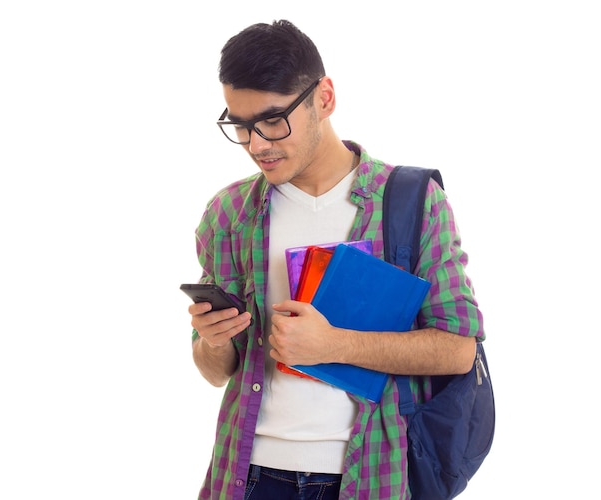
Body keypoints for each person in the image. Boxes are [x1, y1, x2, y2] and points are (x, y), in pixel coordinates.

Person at [188, 19, 484, 500]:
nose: (257, 144)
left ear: (323, 98)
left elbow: (458, 349)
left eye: (272, 120)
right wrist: (213, 340)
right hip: (248, 478)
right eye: (240, 127)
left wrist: (332, 344)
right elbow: (215, 369)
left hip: (366, 477)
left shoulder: (409, 202)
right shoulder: (229, 214)